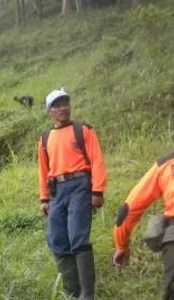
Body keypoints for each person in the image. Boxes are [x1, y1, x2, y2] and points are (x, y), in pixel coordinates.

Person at [37, 89, 106, 299]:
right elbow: (43, 170)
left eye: (65, 103)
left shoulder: (83, 130)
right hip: (57, 190)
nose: (63, 108)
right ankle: (71, 291)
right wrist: (44, 198)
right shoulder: (45, 137)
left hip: (80, 185)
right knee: (57, 239)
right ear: (50, 111)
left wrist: (98, 191)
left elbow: (97, 160)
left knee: (78, 237)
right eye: (57, 106)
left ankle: (87, 293)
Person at [112, 152, 174, 299]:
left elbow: (129, 209)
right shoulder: (165, 164)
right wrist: (121, 244)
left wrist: (121, 245)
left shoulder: (166, 164)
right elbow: (129, 210)